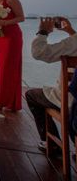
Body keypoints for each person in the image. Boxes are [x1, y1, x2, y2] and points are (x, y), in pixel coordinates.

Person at [27, 16, 77, 152]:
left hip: (71, 103)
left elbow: (39, 52)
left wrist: (43, 32)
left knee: (31, 95)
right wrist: (71, 31)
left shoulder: (74, 43)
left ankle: (50, 143)